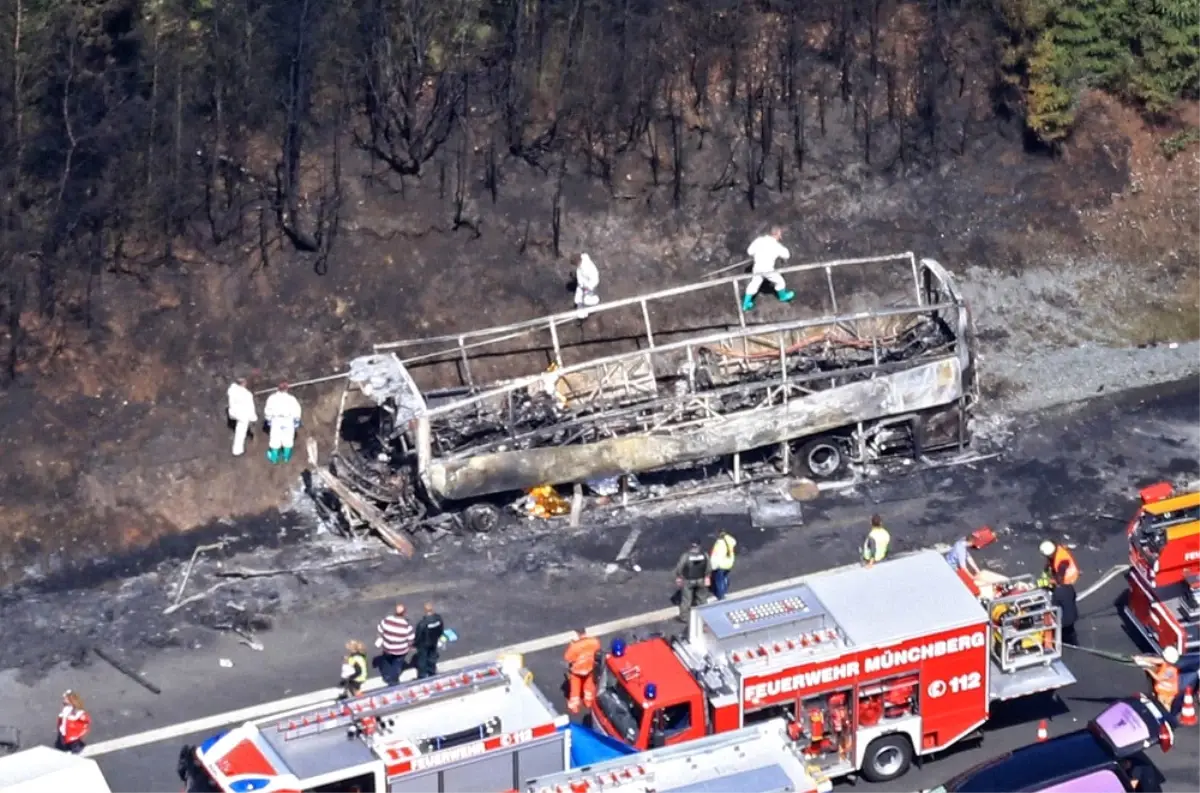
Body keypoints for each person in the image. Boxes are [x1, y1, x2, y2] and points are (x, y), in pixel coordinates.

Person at [743, 227, 795, 311]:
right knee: (780, 281)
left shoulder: (759, 240)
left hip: (757, 268)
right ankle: (783, 296)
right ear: (778, 235)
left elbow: (749, 251)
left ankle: (746, 304)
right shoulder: (776, 245)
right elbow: (787, 255)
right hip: (767, 269)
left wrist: (756, 255)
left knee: (754, 284)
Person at [563, 628, 601, 715]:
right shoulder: (594, 641)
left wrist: (572, 644)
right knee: (589, 685)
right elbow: (597, 650)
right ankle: (588, 701)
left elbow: (568, 658)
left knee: (575, 688)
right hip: (590, 667)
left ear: (577, 634)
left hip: (577, 670)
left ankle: (574, 706)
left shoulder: (574, 646)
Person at [374, 604, 415, 687]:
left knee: (387, 661)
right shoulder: (407, 626)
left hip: (387, 649)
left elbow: (380, 631)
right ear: (404, 613)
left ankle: (386, 676)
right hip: (400, 651)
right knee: (396, 665)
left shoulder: (386, 620)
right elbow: (410, 641)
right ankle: (393, 681)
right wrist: (411, 647)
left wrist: (383, 639)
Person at [263, 382, 302, 464]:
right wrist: (296, 420)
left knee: (275, 439)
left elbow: (268, 411)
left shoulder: (272, 398)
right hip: (288, 421)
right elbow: (297, 411)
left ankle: (274, 458)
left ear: (277, 389)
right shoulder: (291, 399)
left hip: (276, 421)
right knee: (288, 439)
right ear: (287, 389)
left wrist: (268, 419)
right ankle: (286, 457)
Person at [1133, 645, 1181, 712]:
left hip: (1166, 693)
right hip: (1166, 691)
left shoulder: (1170, 671)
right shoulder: (1167, 663)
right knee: (1163, 707)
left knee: (1163, 708)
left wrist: (1148, 669)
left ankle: (1165, 720)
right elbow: (1156, 660)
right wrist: (1141, 658)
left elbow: (1158, 678)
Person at [674, 541, 711, 623]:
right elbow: (708, 567)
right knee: (702, 599)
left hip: (688, 580)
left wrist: (679, 576)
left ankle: (684, 617)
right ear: (699, 546)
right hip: (701, 580)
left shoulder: (686, 556)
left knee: (686, 600)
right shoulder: (705, 555)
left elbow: (679, 567)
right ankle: (705, 615)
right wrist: (707, 576)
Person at [413, 602, 445, 679]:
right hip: (434, 641)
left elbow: (418, 635)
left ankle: (422, 675)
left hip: (424, 643)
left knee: (422, 659)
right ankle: (432, 672)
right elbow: (441, 629)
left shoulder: (422, 623)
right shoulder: (438, 619)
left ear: (425, 610)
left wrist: (415, 644)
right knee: (432, 657)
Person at [226, 377, 257, 457]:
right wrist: (253, 418)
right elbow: (250, 407)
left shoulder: (232, 389)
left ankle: (237, 449)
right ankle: (237, 450)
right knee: (241, 432)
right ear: (243, 384)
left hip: (232, 412)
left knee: (240, 428)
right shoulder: (247, 394)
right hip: (241, 415)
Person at [1050, 561, 1079, 645]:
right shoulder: (1070, 588)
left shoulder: (1057, 592)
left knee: (1064, 635)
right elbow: (1074, 597)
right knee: (1071, 632)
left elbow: (1054, 607)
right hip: (1073, 616)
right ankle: (1074, 643)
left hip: (1063, 621)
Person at [709, 531, 737, 600]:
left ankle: (721, 596)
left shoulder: (720, 543)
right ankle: (724, 593)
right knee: (724, 578)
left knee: (718, 580)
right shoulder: (730, 542)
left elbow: (716, 555)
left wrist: (712, 566)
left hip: (720, 564)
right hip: (728, 563)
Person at [574, 253, 600, 318]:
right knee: (578, 298)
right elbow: (579, 275)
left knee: (586, 300)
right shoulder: (580, 266)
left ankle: (593, 306)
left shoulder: (587, 268)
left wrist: (587, 288)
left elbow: (594, 279)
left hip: (590, 285)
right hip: (584, 283)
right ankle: (580, 310)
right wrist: (581, 284)